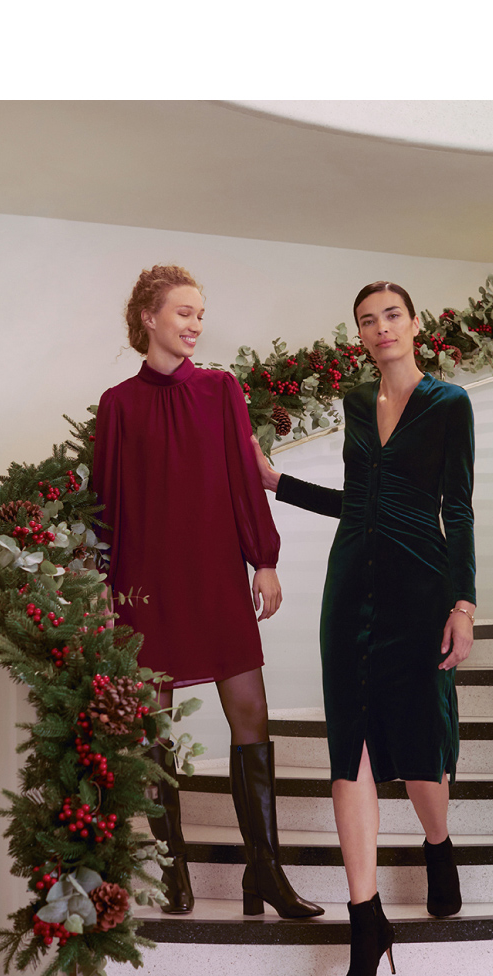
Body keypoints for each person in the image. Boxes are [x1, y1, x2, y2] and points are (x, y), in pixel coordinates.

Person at [251, 281, 476, 976]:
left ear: (415, 324)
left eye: (392, 317)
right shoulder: (354, 404)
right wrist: (275, 482)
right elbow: (356, 499)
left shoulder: (449, 404)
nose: (381, 329)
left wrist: (463, 604)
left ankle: (437, 844)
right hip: (350, 589)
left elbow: (459, 509)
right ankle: (365, 920)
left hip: (420, 588)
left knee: (418, 762)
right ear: (360, 335)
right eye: (367, 322)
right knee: (349, 752)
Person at [90, 264, 323, 920]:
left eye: (199, 314)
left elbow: (243, 481)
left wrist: (264, 559)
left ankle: (266, 874)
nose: (194, 324)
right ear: (148, 319)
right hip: (147, 586)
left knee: (250, 711)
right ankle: (174, 872)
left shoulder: (222, 392)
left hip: (214, 576)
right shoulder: (118, 405)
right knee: (154, 728)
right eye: (182, 312)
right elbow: (103, 505)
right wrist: (111, 594)